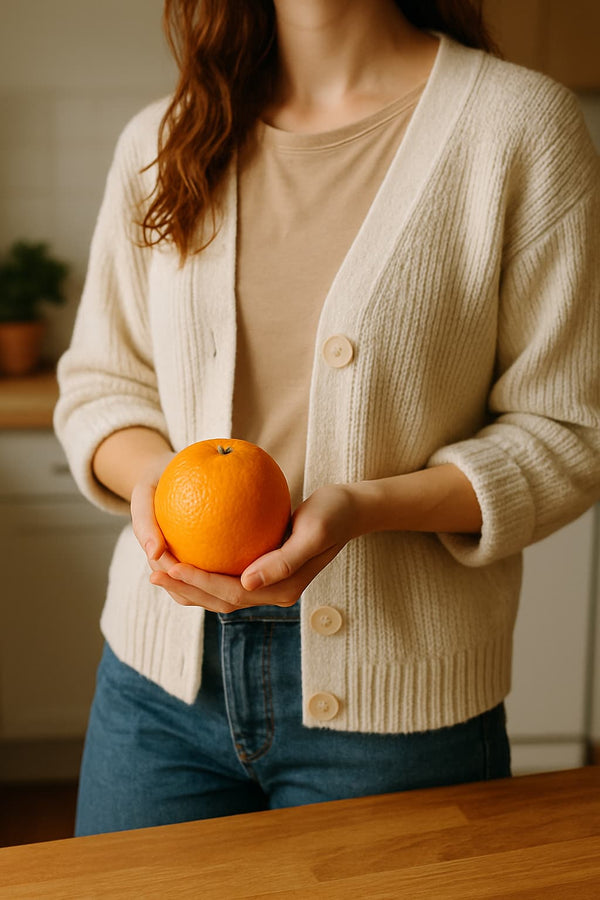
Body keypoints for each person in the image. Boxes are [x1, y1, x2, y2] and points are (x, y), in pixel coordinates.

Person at [54, 0, 600, 837]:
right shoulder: (166, 135)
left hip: (397, 708)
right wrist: (160, 487)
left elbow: (570, 429)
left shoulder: (519, 127)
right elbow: (102, 381)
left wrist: (364, 508)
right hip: (157, 691)